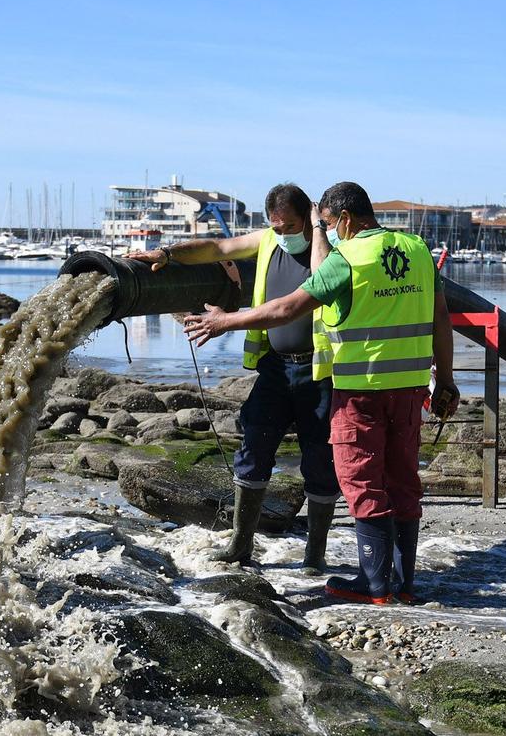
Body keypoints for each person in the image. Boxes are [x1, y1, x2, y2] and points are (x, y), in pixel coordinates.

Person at [182, 181, 457, 604]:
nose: (325, 234)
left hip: (359, 391)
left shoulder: (346, 258)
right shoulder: (418, 249)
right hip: (409, 390)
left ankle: (374, 584)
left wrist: (224, 322)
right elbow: (441, 317)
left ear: (345, 219)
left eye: (327, 225)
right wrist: (448, 379)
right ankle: (402, 583)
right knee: (403, 480)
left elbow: (287, 308)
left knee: (360, 480)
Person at [128, 184, 340, 570]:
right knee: (253, 450)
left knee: (321, 462)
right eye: (276, 226)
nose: (283, 234)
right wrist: (168, 253)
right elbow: (217, 248)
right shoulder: (267, 241)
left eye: (291, 225)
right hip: (275, 368)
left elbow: (324, 276)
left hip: (320, 372)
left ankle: (315, 556)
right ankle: (240, 547)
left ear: (308, 217)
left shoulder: (331, 246)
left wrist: (318, 228)